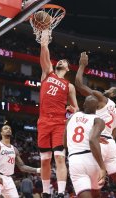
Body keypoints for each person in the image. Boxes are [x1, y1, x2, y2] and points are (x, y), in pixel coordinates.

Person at [75, 52, 116, 198]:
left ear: (114, 94)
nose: (107, 89)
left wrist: (82, 65)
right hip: (110, 144)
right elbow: (113, 136)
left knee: (92, 182)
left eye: (111, 89)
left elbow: (79, 84)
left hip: (99, 142)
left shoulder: (101, 99)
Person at [38, 31, 79, 198]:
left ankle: (61, 193)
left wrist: (72, 109)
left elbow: (77, 109)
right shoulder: (47, 73)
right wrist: (44, 43)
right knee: (44, 160)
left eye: (65, 62)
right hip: (43, 121)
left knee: (59, 158)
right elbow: (45, 57)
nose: (61, 61)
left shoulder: (69, 86)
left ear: (68, 69)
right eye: (60, 60)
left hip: (59, 123)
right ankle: (46, 193)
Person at [64, 95, 107, 198]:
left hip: (75, 159)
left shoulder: (71, 117)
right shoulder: (98, 120)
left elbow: (65, 144)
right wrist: (102, 167)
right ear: (97, 108)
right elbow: (92, 139)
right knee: (96, 194)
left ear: (83, 105)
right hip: (92, 159)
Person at [0, 122, 40, 198]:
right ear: (1, 133)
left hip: (9, 179)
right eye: (5, 128)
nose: (8, 129)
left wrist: (38, 170)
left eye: (9, 128)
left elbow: (22, 166)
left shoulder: (15, 149)